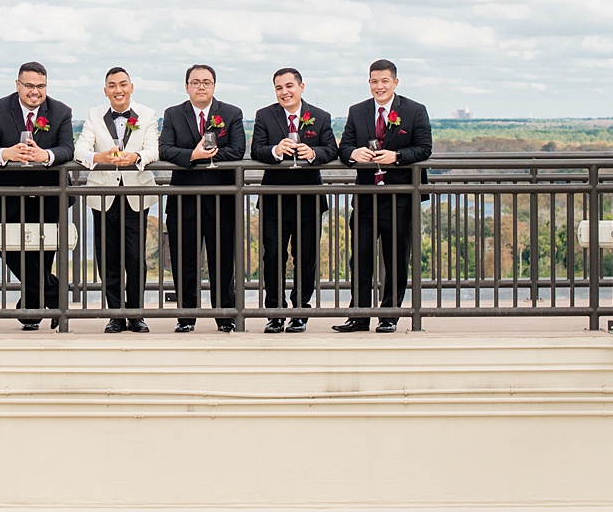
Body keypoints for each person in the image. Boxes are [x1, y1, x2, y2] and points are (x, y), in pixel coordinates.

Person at [333, 59, 433, 333]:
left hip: (400, 197)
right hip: (366, 196)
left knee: (396, 259)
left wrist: (397, 157)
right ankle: (359, 315)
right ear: (369, 83)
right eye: (374, 81)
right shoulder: (357, 111)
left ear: (395, 82)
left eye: (384, 81)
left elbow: (424, 149)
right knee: (360, 257)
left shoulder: (414, 110)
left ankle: (390, 315)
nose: (379, 86)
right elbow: (344, 148)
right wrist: (353, 154)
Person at [0, 62, 75, 330]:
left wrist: (46, 156)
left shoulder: (61, 111)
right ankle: (58, 297)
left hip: (49, 198)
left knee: (41, 259)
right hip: (8, 198)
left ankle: (30, 313)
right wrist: (5, 154)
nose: (35, 91)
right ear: (18, 85)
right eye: (30, 85)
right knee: (7, 248)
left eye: (41, 86)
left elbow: (67, 148)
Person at [158, 64, 246, 333]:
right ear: (186, 87)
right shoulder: (173, 114)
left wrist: (207, 154)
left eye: (206, 82)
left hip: (222, 200)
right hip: (184, 200)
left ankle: (225, 316)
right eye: (195, 82)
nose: (201, 87)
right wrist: (192, 157)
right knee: (184, 262)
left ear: (214, 86)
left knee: (222, 261)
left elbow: (238, 150)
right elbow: (165, 149)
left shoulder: (231, 114)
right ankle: (186, 317)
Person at [249, 68, 338, 332]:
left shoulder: (320, 117)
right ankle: (274, 312)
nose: (284, 92)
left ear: (301, 87)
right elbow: (256, 149)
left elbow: (331, 149)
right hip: (273, 198)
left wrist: (313, 153)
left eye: (289, 86)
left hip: (308, 198)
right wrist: (276, 151)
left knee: (306, 257)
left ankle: (300, 309)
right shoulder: (264, 115)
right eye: (278, 88)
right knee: (273, 256)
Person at [73, 67, 159, 333]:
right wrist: (99, 158)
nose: (118, 90)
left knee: (135, 257)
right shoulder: (93, 115)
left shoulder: (148, 115)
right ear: (105, 90)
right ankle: (115, 315)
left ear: (131, 87)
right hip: (103, 195)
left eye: (123, 84)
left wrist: (136, 158)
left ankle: (136, 314)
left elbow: (153, 149)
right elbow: (80, 150)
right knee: (107, 257)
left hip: (135, 194)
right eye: (112, 85)